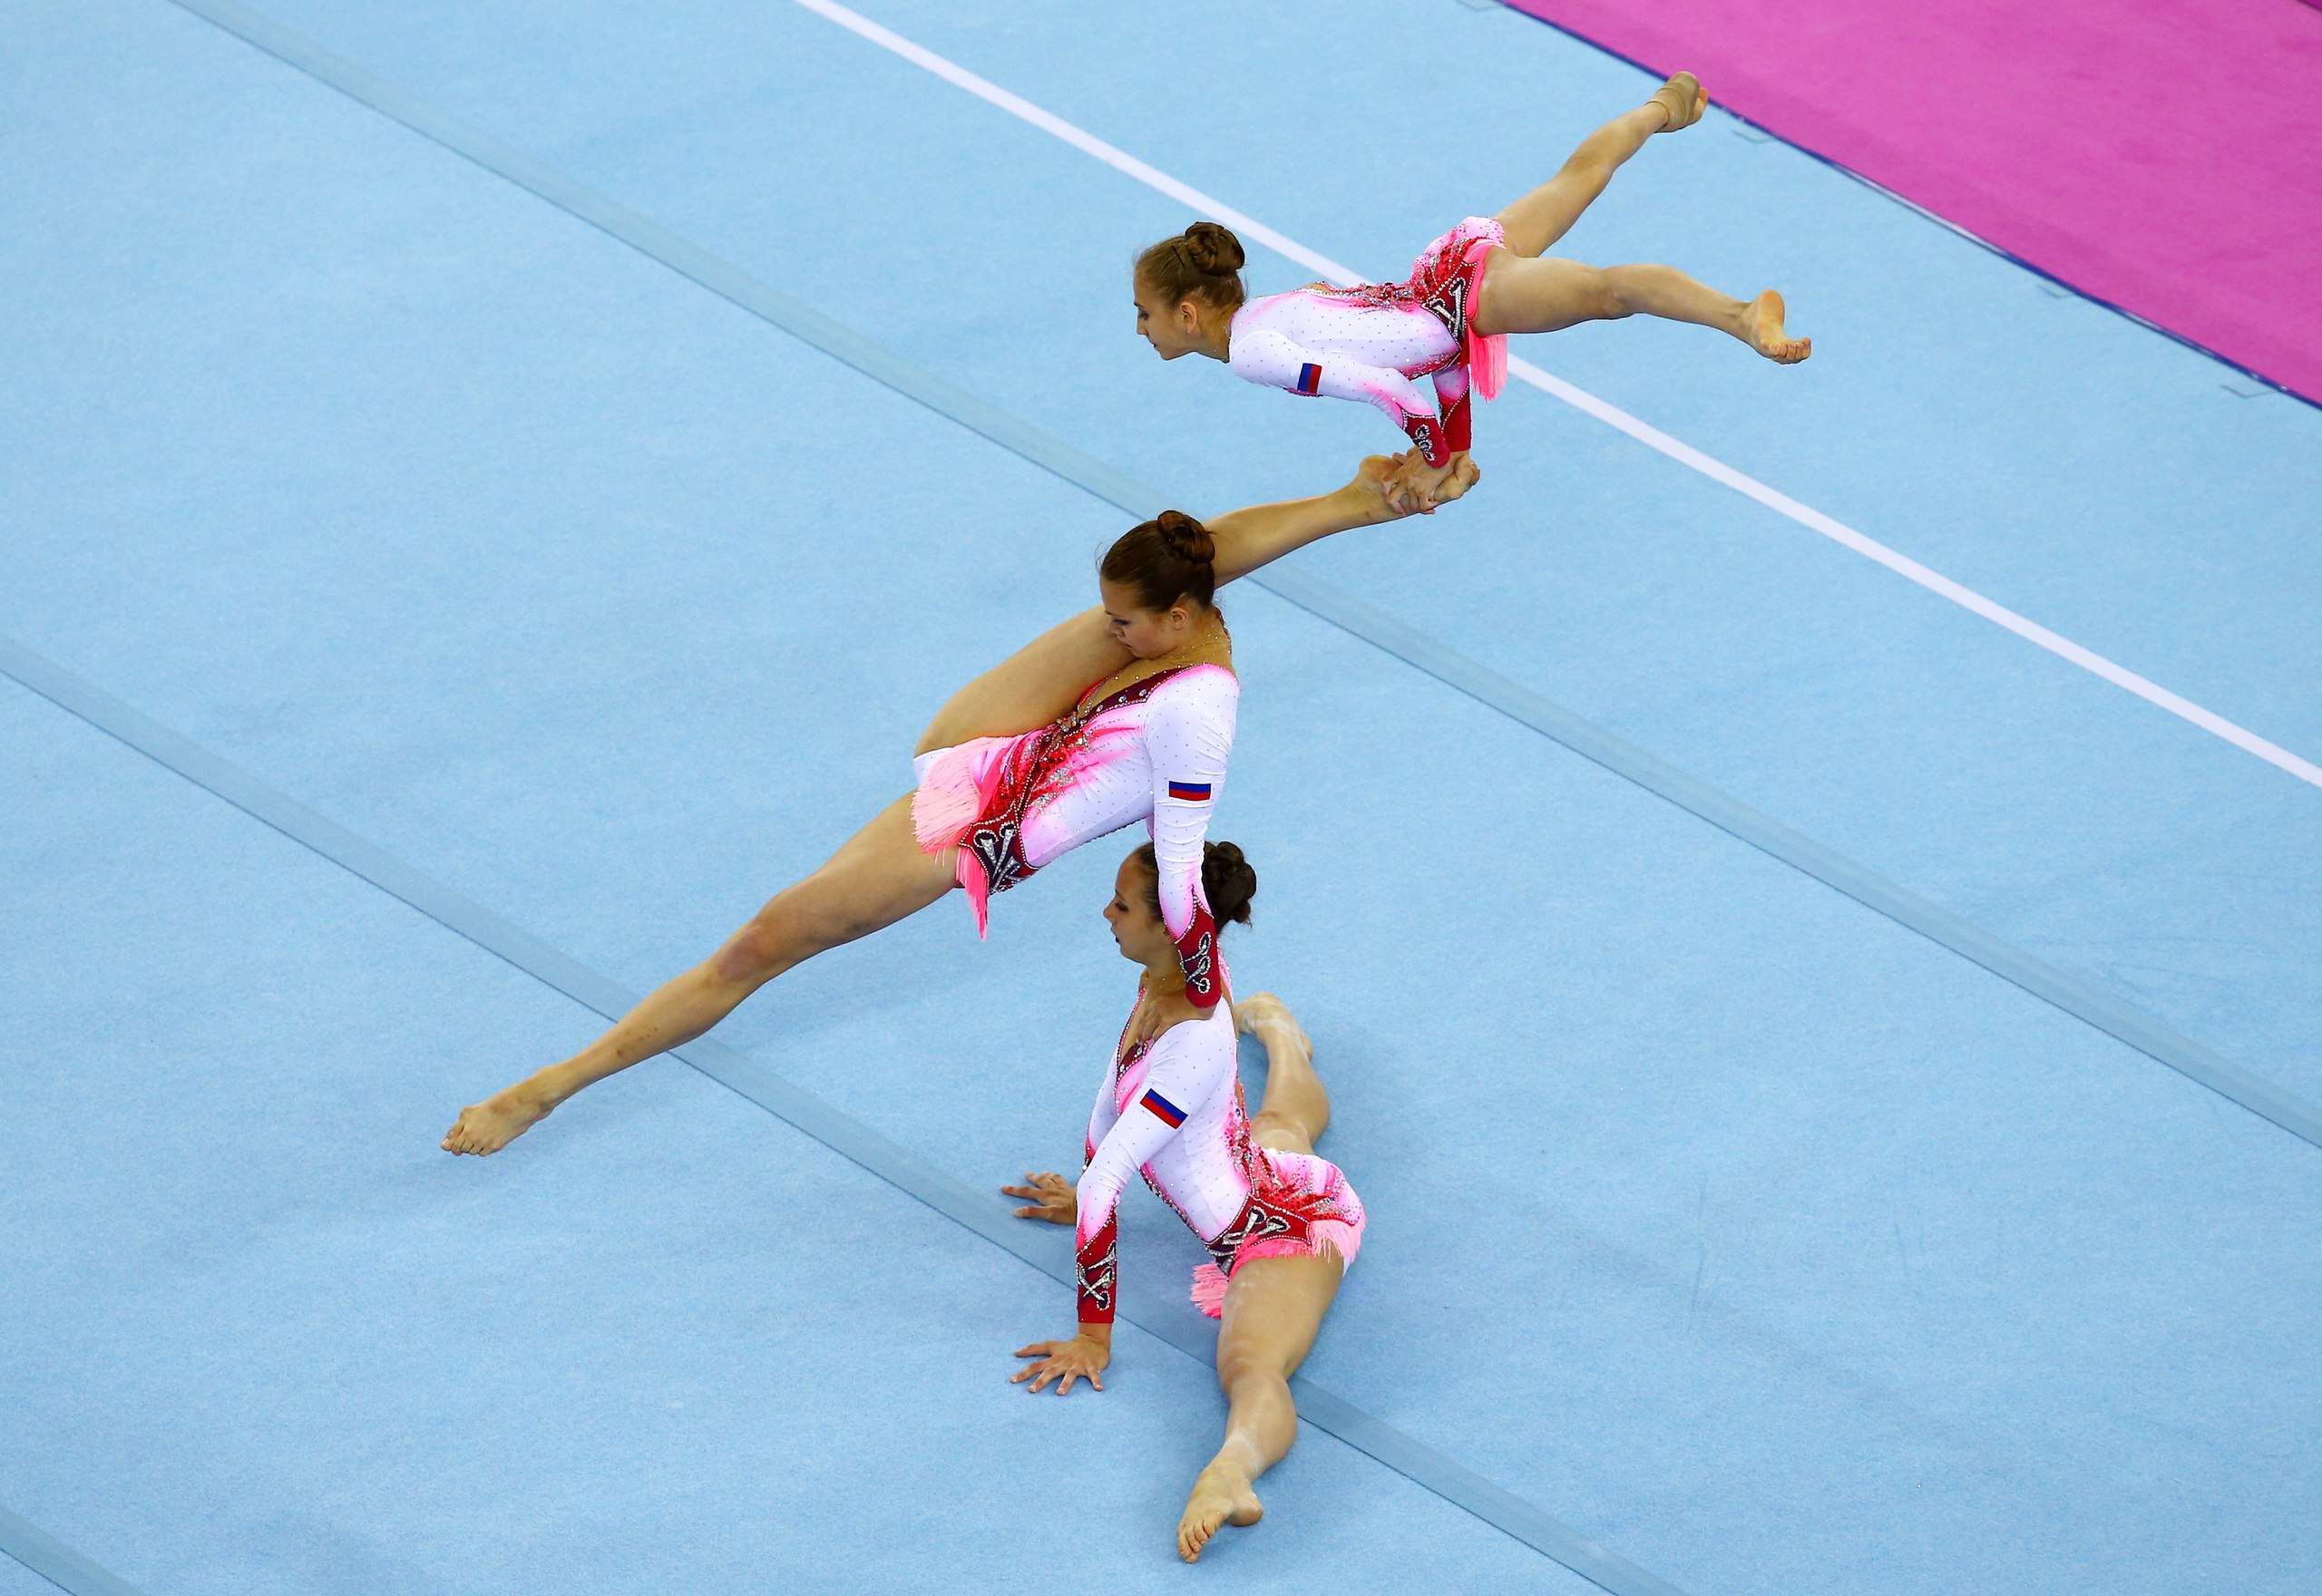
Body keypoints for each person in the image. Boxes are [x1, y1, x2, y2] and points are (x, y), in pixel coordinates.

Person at [440, 451, 1477, 1156]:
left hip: (969, 835)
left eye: (1128, 619)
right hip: (988, 764)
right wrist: (1360, 500)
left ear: (1174, 621)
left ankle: (550, 1085)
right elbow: (1209, 548)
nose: (1110, 627)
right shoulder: (1172, 623)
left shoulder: (1200, 704)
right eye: (1113, 616)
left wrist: (1191, 978)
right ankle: (1358, 500)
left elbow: (1181, 854)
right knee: (1195, 543)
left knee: (760, 944)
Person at [1132, 73, 1810, 472]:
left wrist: (1429, 457)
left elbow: (1382, 383)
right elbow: (1427, 360)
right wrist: (1453, 448)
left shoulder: (1252, 352)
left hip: (1459, 298)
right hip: (1446, 276)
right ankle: (1666, 107)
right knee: (1578, 178)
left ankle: (1739, 314)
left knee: (1608, 292)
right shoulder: (1274, 310)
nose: (1141, 329)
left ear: (1188, 313)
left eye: (1145, 313)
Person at [1006, 841, 1361, 1563]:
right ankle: (1287, 1042)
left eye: (1122, 904)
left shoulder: (1193, 1039)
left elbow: (1111, 1179)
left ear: (1172, 924)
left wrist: (1093, 1337)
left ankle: (1231, 1472)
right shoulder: (1172, 972)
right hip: (1261, 1170)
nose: (1106, 912)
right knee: (1282, 1128)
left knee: (1248, 1364)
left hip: (1290, 1234)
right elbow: (1108, 1117)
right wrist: (1082, 1194)